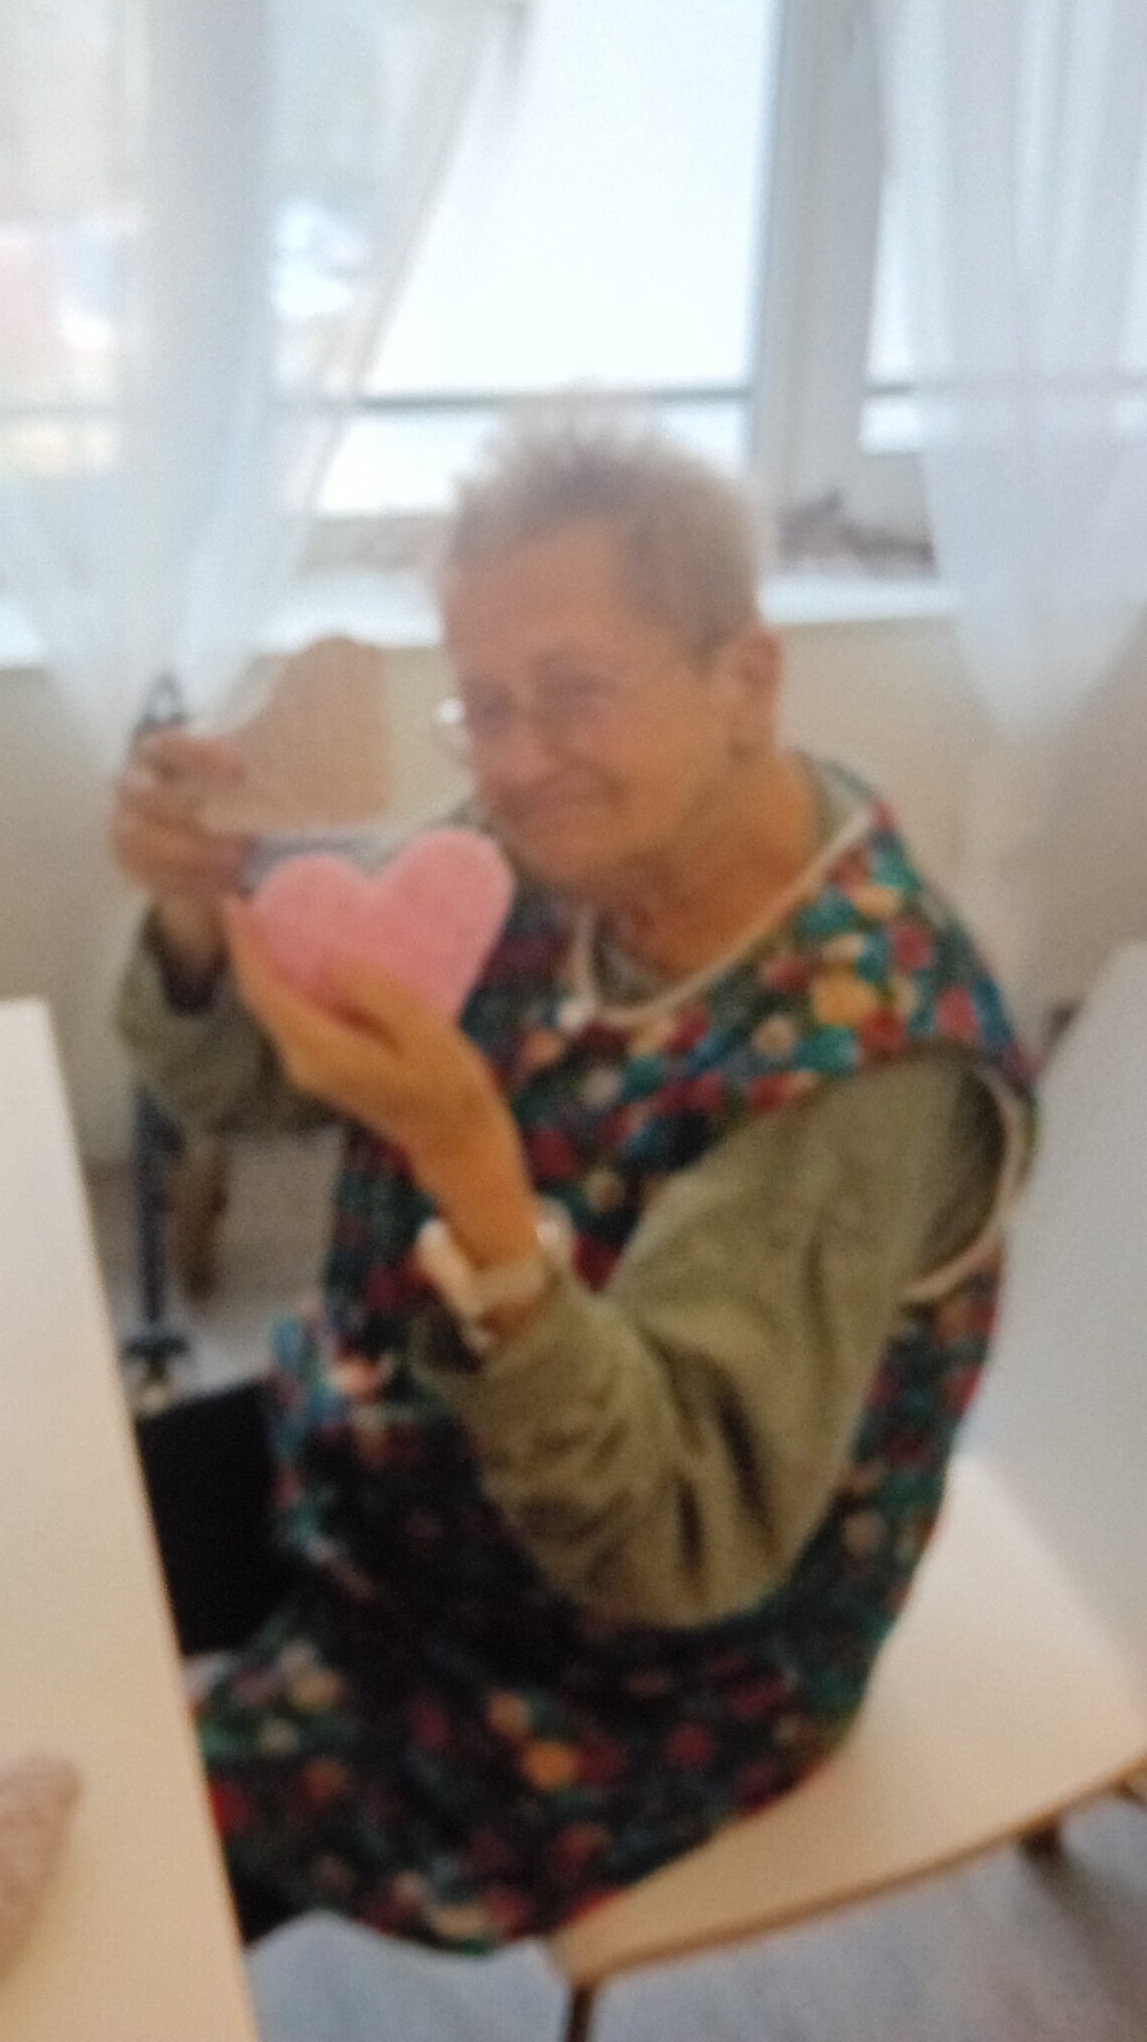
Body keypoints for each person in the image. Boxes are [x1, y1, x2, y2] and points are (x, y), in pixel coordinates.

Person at [110, 423, 1032, 1954]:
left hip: (620, 1663)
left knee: (119, 1882)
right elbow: (259, 1083)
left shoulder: (860, 1067)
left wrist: (474, 1178)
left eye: (577, 690)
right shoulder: (539, 846)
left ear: (745, 680)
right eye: (484, 706)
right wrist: (202, 911)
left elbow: (673, 1538)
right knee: (56, 1560)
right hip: (401, 1448)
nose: (519, 762)